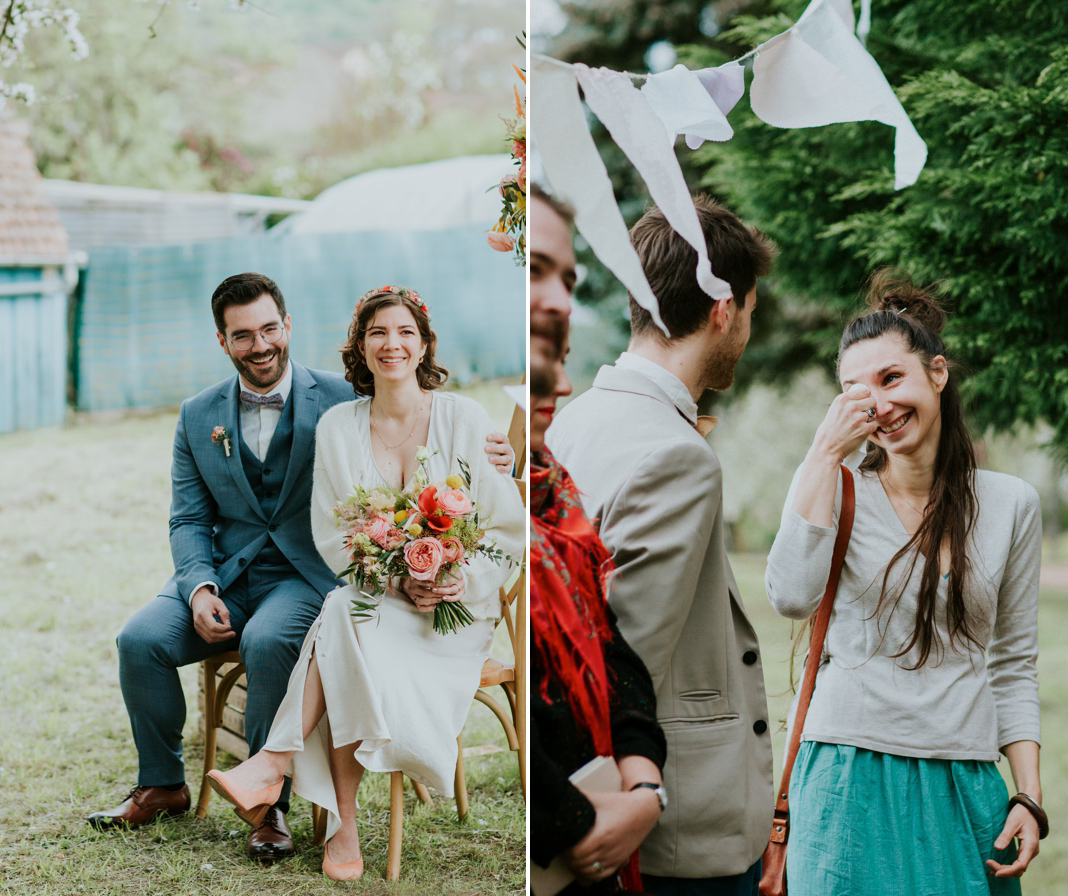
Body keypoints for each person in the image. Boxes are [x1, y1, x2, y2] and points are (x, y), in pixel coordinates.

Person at [89, 274, 514, 861]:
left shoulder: (342, 398)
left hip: (304, 578)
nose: (260, 345)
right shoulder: (196, 417)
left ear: (287, 327)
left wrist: (506, 458)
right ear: (223, 342)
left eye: (269, 329)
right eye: (243, 336)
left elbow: (450, 444)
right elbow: (187, 519)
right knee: (139, 640)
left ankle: (270, 809)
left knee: (269, 643)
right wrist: (198, 588)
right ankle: (162, 785)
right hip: (227, 576)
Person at [202, 285, 525, 879]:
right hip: (382, 599)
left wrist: (458, 579)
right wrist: (398, 583)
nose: (391, 344)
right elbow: (334, 535)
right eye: (378, 332)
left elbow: (507, 533)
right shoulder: (337, 427)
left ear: (424, 343)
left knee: (341, 624)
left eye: (405, 332)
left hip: (454, 611)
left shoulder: (465, 419)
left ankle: (278, 768)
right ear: (361, 345)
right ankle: (338, 818)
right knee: (349, 612)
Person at [765, 270, 1045, 895]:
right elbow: (788, 596)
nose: (880, 405)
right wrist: (821, 455)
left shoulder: (1011, 505)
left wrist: (1028, 794)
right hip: (846, 778)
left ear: (937, 374)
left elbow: (1014, 663)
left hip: (967, 785)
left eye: (892, 379)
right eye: (856, 391)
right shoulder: (832, 488)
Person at [546, 195, 777, 895]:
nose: (745, 331)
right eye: (749, 311)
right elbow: (622, 656)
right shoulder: (677, 455)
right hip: (672, 831)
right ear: (721, 309)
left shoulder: (574, 419)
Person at [529, 189, 667, 894]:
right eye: (534, 269)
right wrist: (572, 819)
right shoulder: (462, 492)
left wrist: (644, 787)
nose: (557, 301)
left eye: (568, 281)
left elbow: (611, 645)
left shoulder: (558, 492)